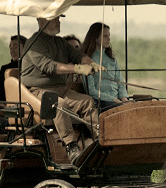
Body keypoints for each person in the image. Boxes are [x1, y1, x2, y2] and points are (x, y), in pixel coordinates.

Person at [19, 16, 104, 164]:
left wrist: (92, 63)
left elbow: (77, 55)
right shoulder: (34, 43)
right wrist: (77, 68)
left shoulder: (59, 42)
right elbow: (50, 67)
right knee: (59, 105)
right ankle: (72, 147)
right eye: (55, 19)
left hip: (62, 89)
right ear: (42, 21)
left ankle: (100, 141)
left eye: (58, 18)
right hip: (37, 92)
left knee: (87, 102)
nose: (59, 22)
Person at [81, 22, 129, 111]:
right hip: (101, 102)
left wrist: (124, 98)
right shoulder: (87, 60)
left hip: (118, 101)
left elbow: (120, 82)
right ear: (95, 38)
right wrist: (114, 100)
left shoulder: (112, 58)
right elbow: (92, 91)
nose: (109, 39)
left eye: (109, 36)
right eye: (105, 36)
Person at [0, 34, 26, 106]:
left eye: (16, 47)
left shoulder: (30, 68)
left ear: (25, 48)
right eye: (10, 48)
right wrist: (2, 105)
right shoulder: (5, 69)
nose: (12, 51)